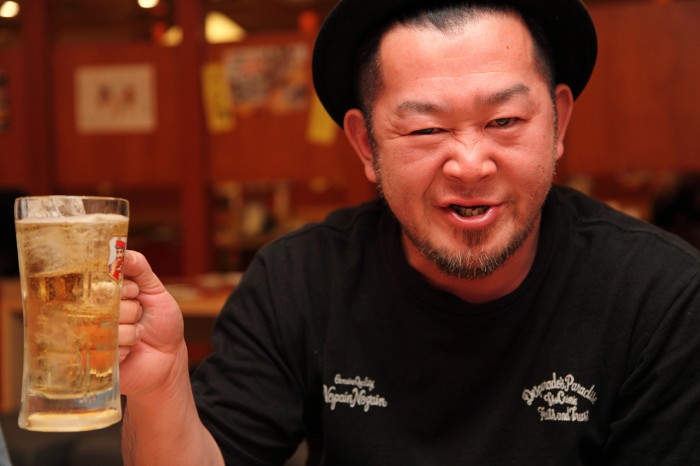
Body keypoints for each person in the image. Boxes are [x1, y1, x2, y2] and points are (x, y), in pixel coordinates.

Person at [118, 0, 700, 464]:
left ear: (559, 121)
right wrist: (160, 388)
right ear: (365, 143)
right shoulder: (298, 280)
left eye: (504, 121)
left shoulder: (661, 296)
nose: (470, 164)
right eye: (425, 129)